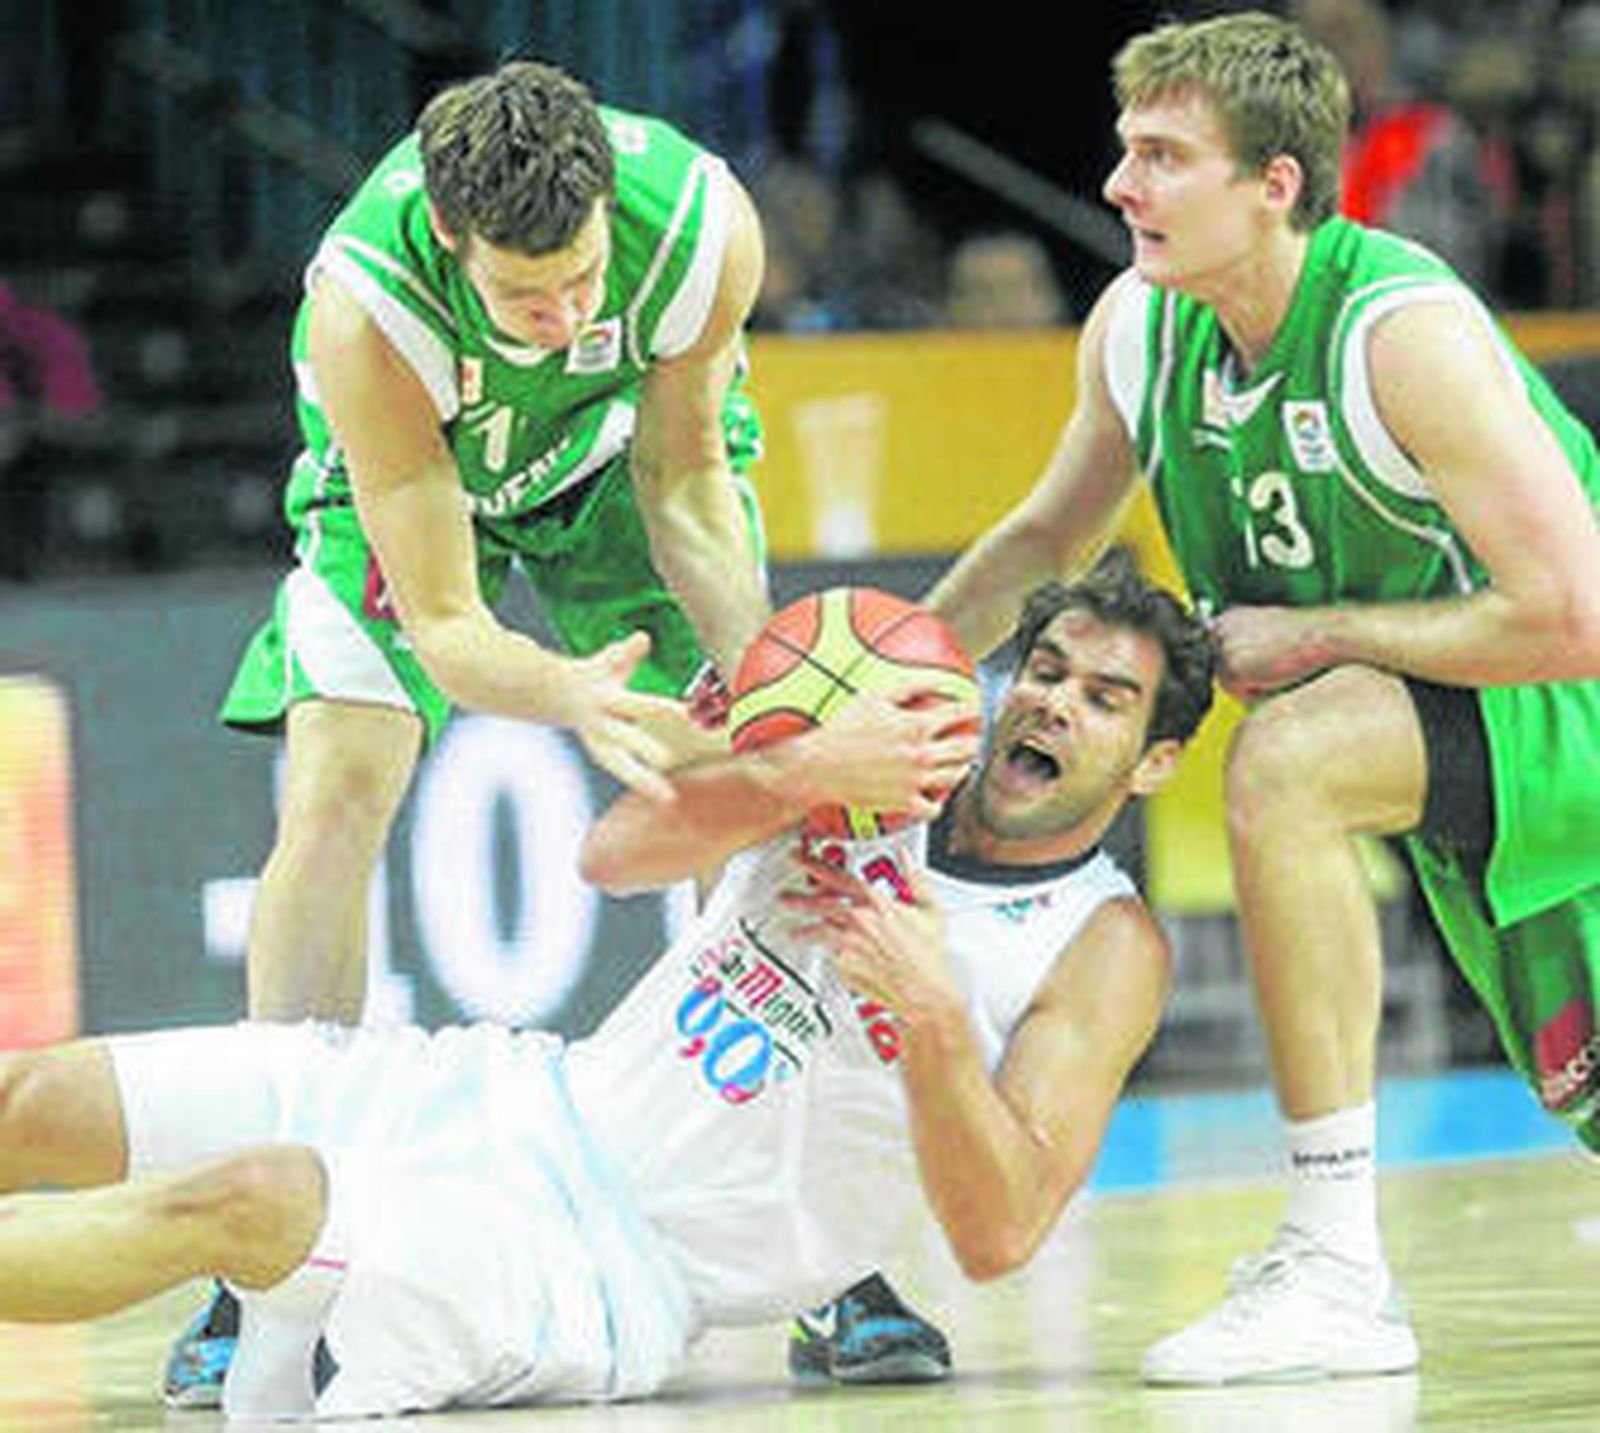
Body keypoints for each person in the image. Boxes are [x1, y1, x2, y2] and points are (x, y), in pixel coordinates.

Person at [0, 556, 1216, 1419]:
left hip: (588, 1267)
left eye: (1104, 699)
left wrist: (937, 1020)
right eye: (1047, 669)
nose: (1054, 699)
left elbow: (999, 1231)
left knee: (251, 1197)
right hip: (508, 1092)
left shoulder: (1100, 941)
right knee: (34, 1096)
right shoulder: (877, 762)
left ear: (1153, 761)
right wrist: (793, 767)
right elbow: (616, 853)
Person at [924, 9, 1600, 1387]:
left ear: (1273, 185)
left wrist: (1320, 631)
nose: (1122, 186)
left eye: (1165, 156)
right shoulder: (1140, 329)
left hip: (1563, 686)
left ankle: (1338, 1265)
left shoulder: (1400, 332)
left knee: (1284, 762)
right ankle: (1337, 1261)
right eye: (1126, 151)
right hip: (1449, 712)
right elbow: (1051, 537)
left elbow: (1577, 615)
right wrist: (894, 665)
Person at [165, 59, 773, 1402]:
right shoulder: (364, 309)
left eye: (578, 283)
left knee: (751, 777)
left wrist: (759, 684)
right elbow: (441, 618)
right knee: (339, 784)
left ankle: (817, 1253)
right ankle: (268, 1249)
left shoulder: (701, 228)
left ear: (610, 206)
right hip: (422, 483)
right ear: (452, 239)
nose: (559, 320)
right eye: (522, 295)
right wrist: (568, 691)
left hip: (619, 463)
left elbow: (685, 480)